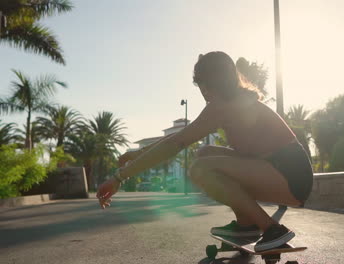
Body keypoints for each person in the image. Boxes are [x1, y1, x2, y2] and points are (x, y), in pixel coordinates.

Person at [96, 51, 313, 252]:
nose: (202, 91)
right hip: (280, 170)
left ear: (211, 83)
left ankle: (272, 229)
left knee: (200, 169)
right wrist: (137, 155)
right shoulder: (232, 100)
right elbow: (178, 138)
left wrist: (119, 177)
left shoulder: (224, 105)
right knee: (205, 153)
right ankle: (246, 224)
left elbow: (177, 143)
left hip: (290, 176)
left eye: (201, 84)